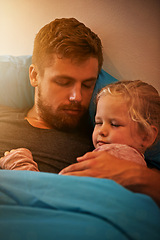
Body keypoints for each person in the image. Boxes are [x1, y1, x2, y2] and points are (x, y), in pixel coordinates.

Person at [0, 18, 160, 207]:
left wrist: (133, 174)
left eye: (87, 84)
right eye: (63, 82)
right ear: (35, 76)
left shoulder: (107, 141)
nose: (77, 96)